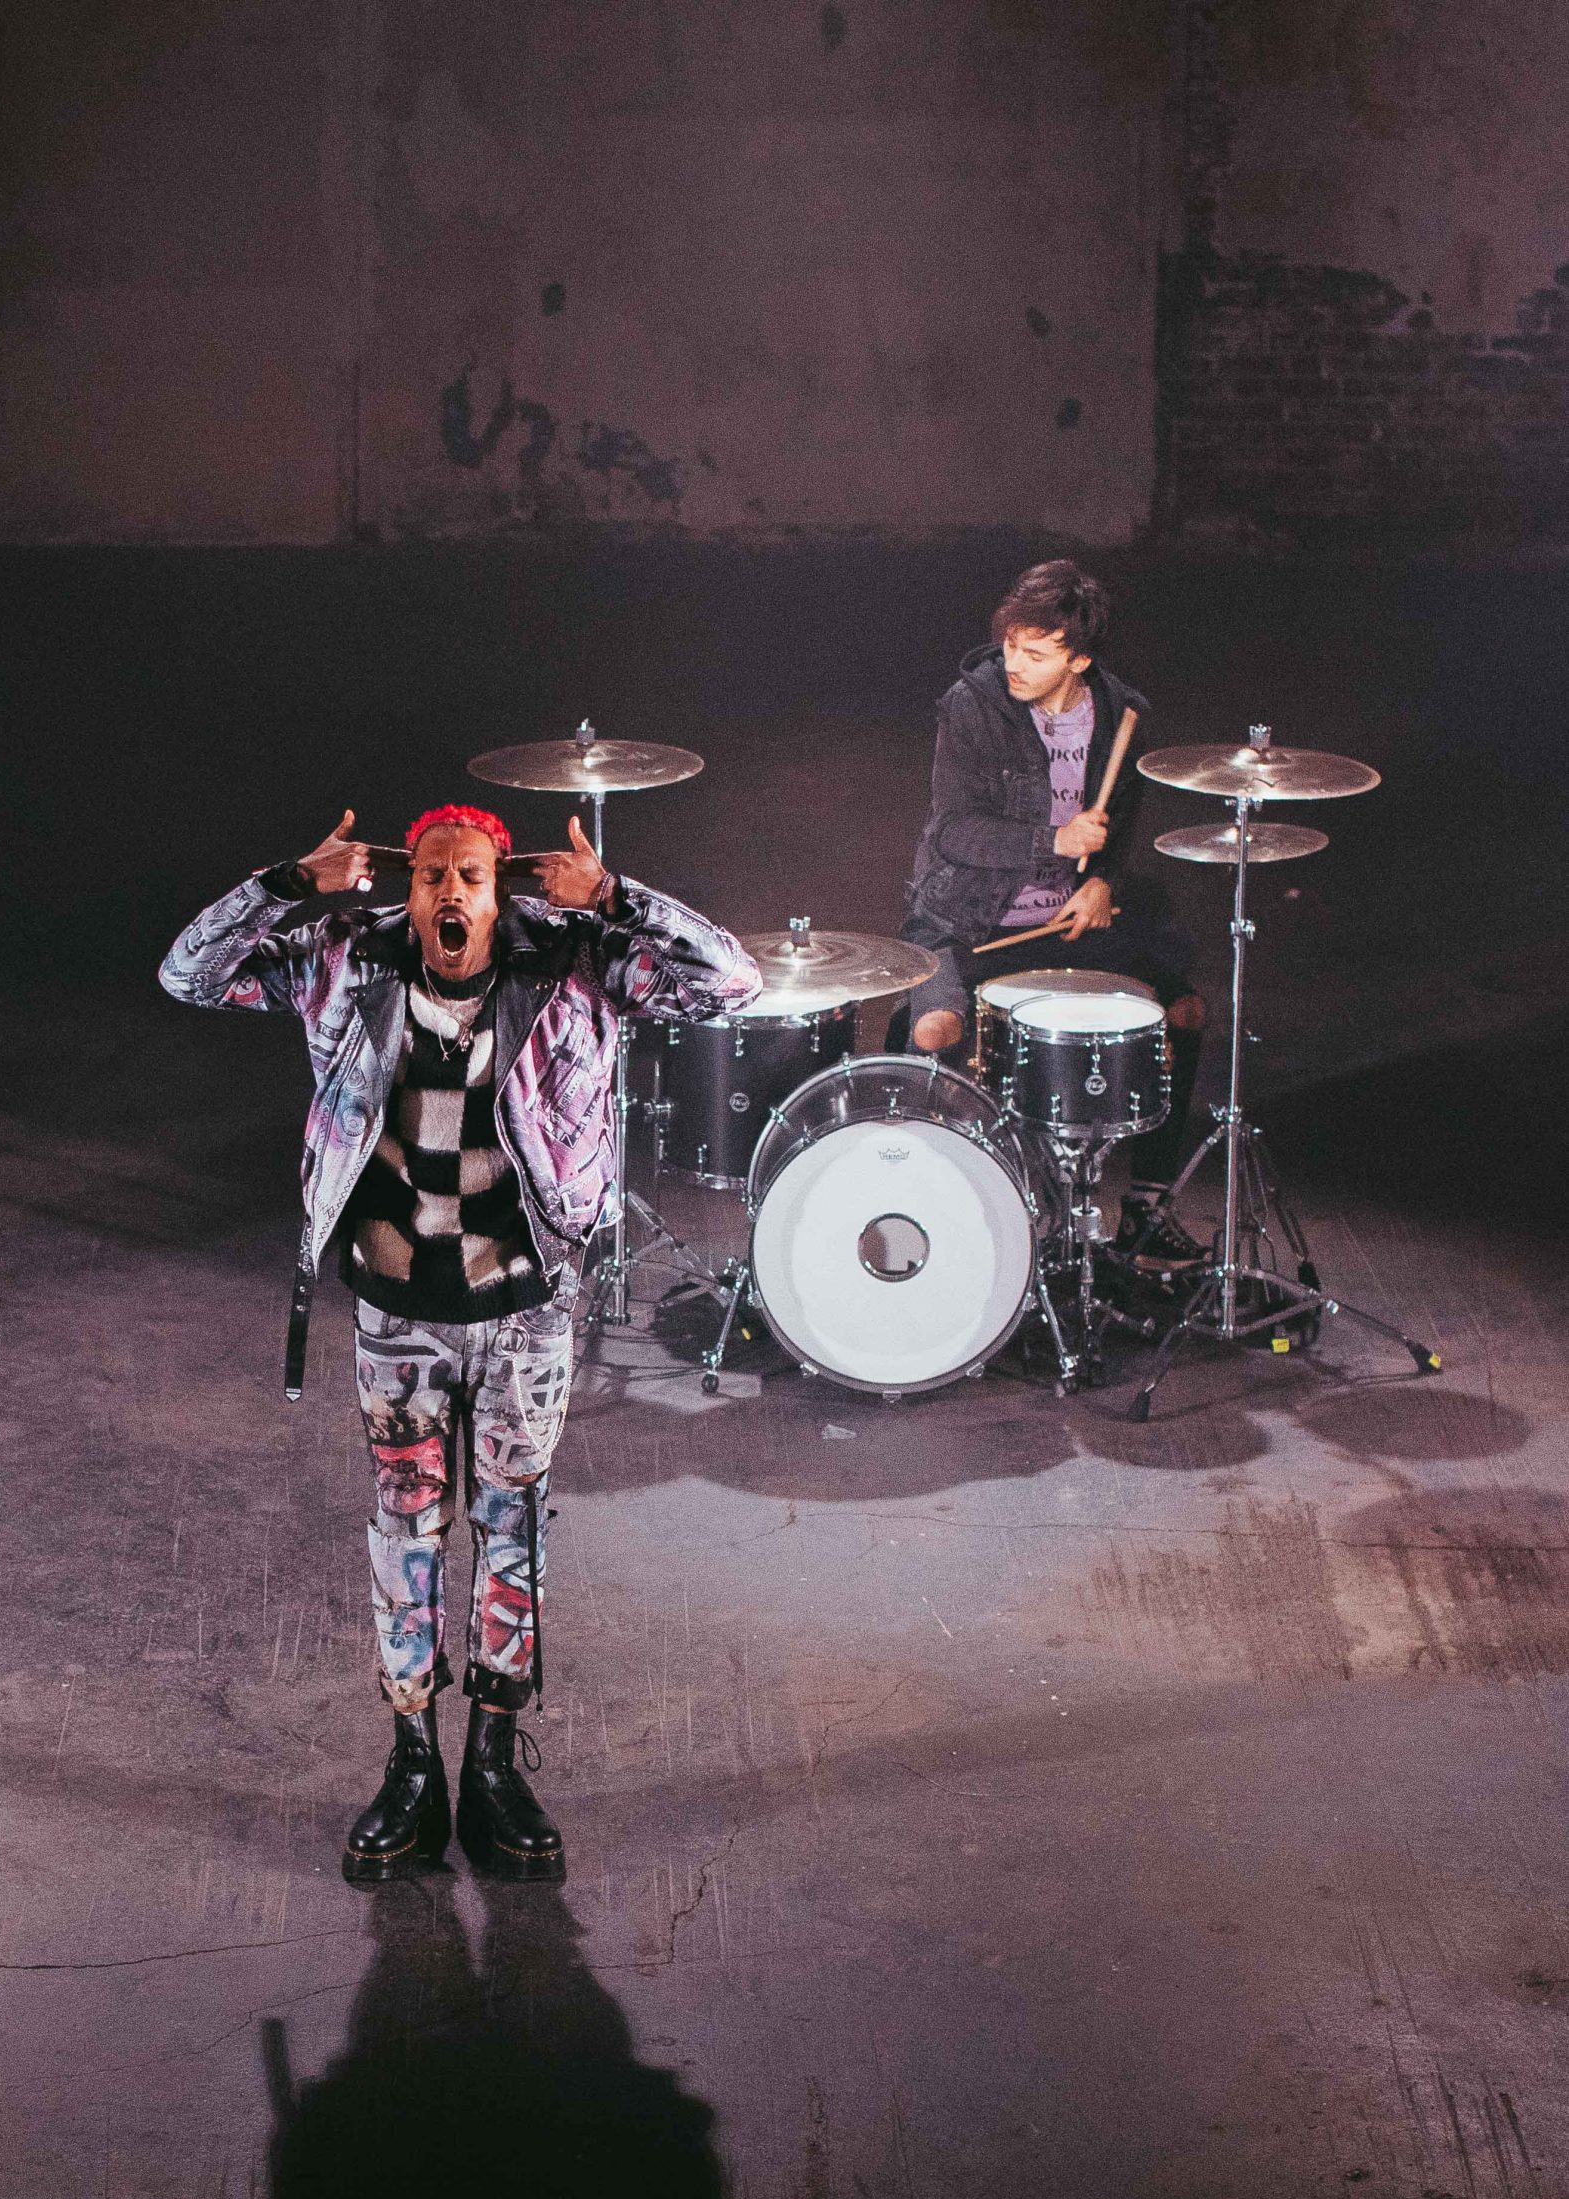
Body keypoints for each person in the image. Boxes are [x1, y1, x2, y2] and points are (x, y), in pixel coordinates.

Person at [160, 803, 760, 1886]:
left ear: (499, 891)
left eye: (471, 876)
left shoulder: (575, 964)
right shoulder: (348, 962)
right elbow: (188, 975)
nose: (449, 892)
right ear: (410, 888)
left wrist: (613, 898)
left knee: (511, 1528)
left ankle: (491, 1759)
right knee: (406, 1531)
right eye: (431, 874)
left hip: (526, 1308)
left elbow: (732, 984)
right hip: (398, 1312)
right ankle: (410, 1762)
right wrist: (288, 883)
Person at [901, 559, 1209, 1269]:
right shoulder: (970, 707)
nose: (1014, 663)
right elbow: (952, 832)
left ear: (1079, 659)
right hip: (968, 919)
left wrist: (1100, 881)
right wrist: (1052, 842)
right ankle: (945, 1213)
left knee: (1184, 1010)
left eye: (1035, 654)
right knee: (934, 1028)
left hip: (1068, 922)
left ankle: (1147, 1207)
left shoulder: (1121, 713)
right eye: (1011, 645)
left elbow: (1114, 825)